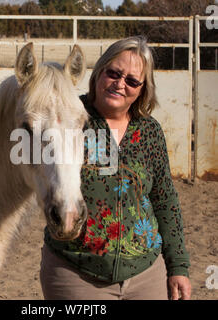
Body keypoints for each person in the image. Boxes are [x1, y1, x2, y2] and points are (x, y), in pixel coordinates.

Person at [40, 36, 191, 300]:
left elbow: (165, 199)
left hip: (147, 275)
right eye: (114, 73)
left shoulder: (149, 130)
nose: (120, 84)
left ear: (143, 89)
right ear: (99, 71)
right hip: (77, 275)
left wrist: (178, 266)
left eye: (132, 81)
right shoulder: (66, 119)